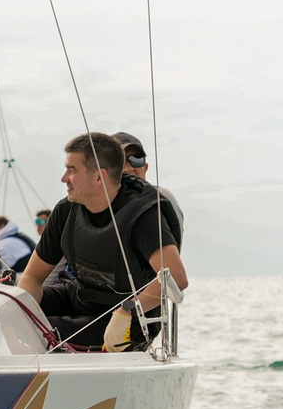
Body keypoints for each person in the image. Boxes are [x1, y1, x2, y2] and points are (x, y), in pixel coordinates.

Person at [17, 131, 190, 348]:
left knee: (40, 330)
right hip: (79, 296)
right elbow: (33, 277)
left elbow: (176, 278)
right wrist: (22, 313)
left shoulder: (144, 214)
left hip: (127, 318)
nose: (64, 178)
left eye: (72, 170)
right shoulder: (65, 211)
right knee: (10, 310)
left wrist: (127, 311)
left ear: (99, 177)